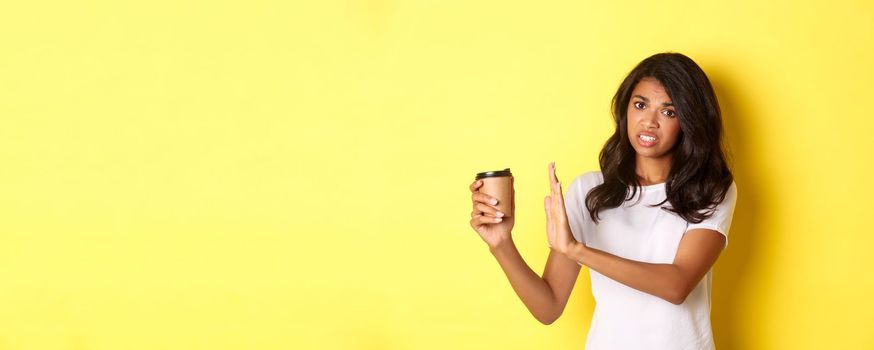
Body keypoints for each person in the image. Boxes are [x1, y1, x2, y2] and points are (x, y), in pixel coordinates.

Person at [468, 52, 737, 350]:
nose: (649, 122)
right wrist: (501, 244)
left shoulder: (710, 189)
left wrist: (576, 250)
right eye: (640, 105)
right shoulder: (589, 191)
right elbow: (548, 307)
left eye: (669, 112)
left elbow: (676, 286)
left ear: (689, 121)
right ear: (625, 110)